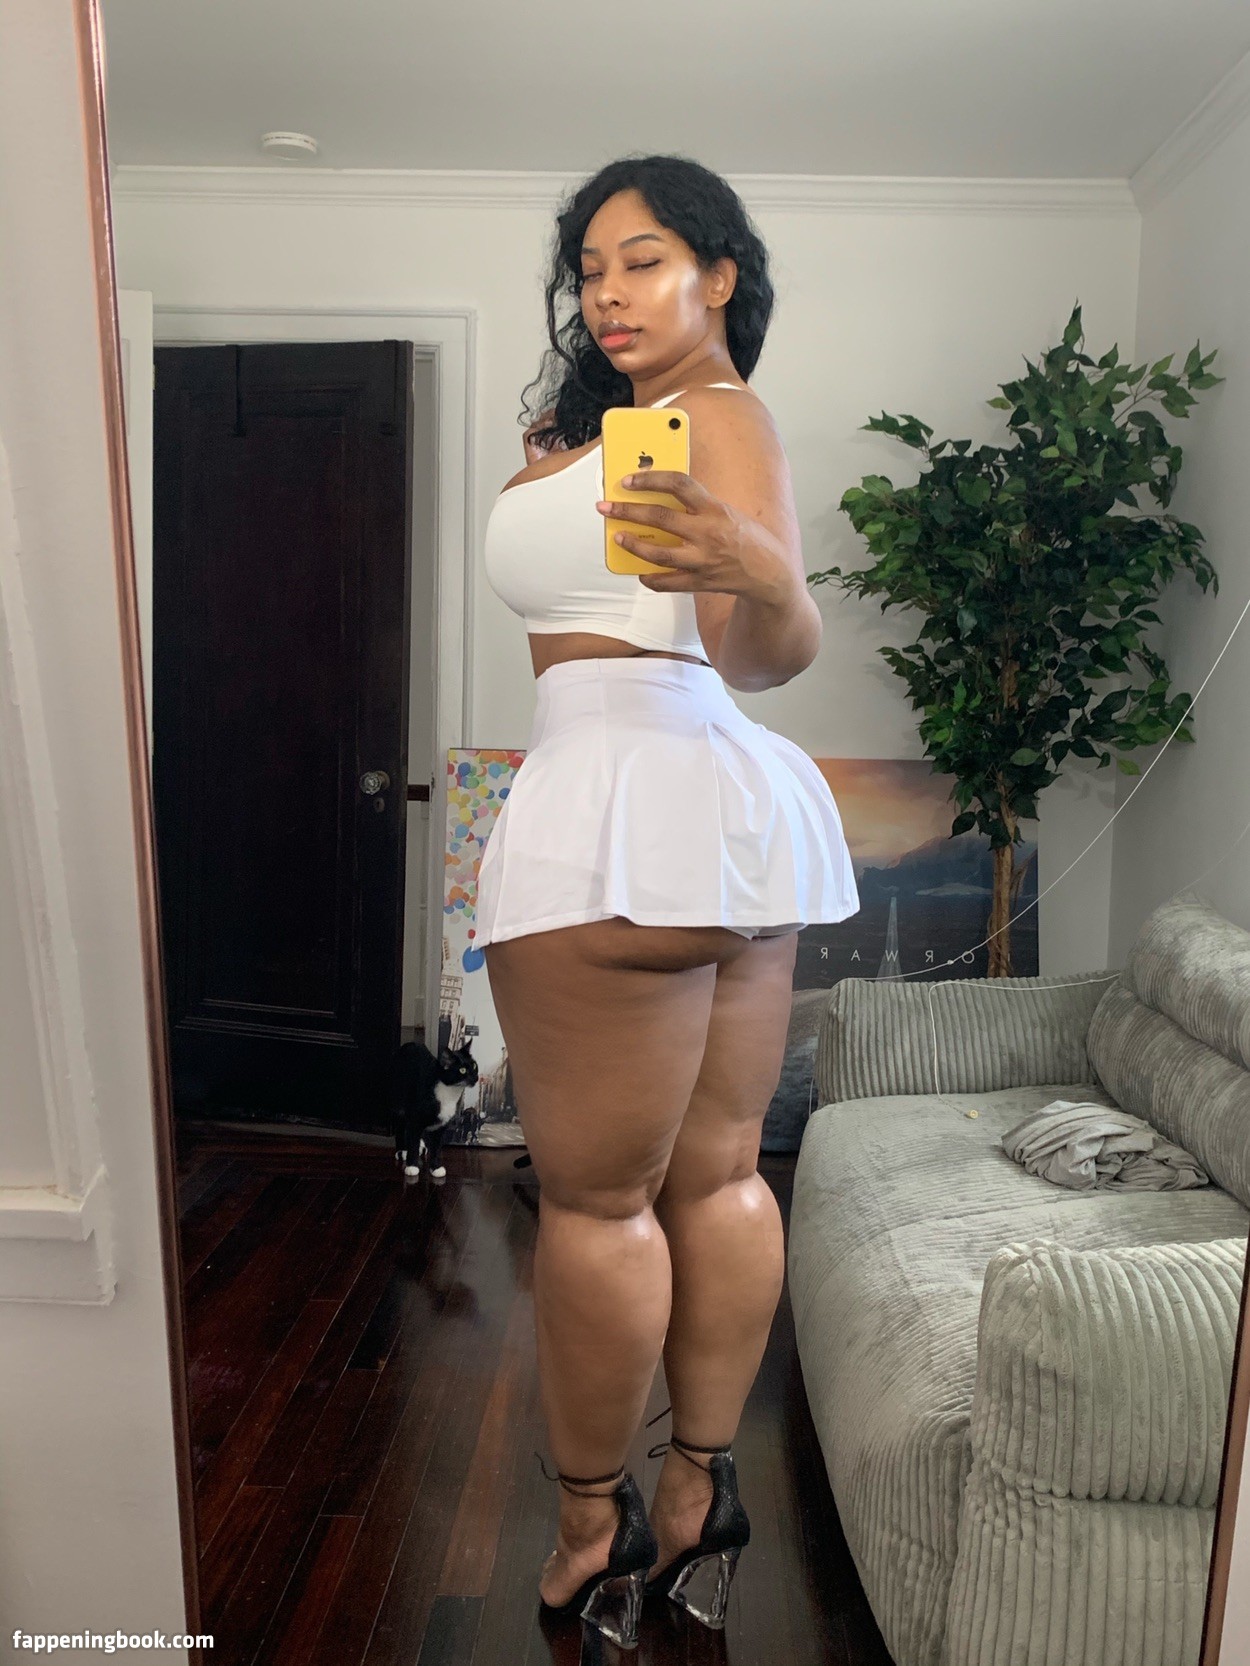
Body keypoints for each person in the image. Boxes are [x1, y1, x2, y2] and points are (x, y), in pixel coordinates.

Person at [476, 153, 860, 1648]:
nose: (608, 291)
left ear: (718, 274)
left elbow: (763, 647)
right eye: (588, 268)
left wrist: (762, 569)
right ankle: (700, 1485)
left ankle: (594, 1523)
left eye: (642, 259)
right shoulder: (634, 430)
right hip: (728, 819)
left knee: (595, 1200)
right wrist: (564, 467)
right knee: (719, 1178)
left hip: (620, 808)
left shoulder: (717, 413)